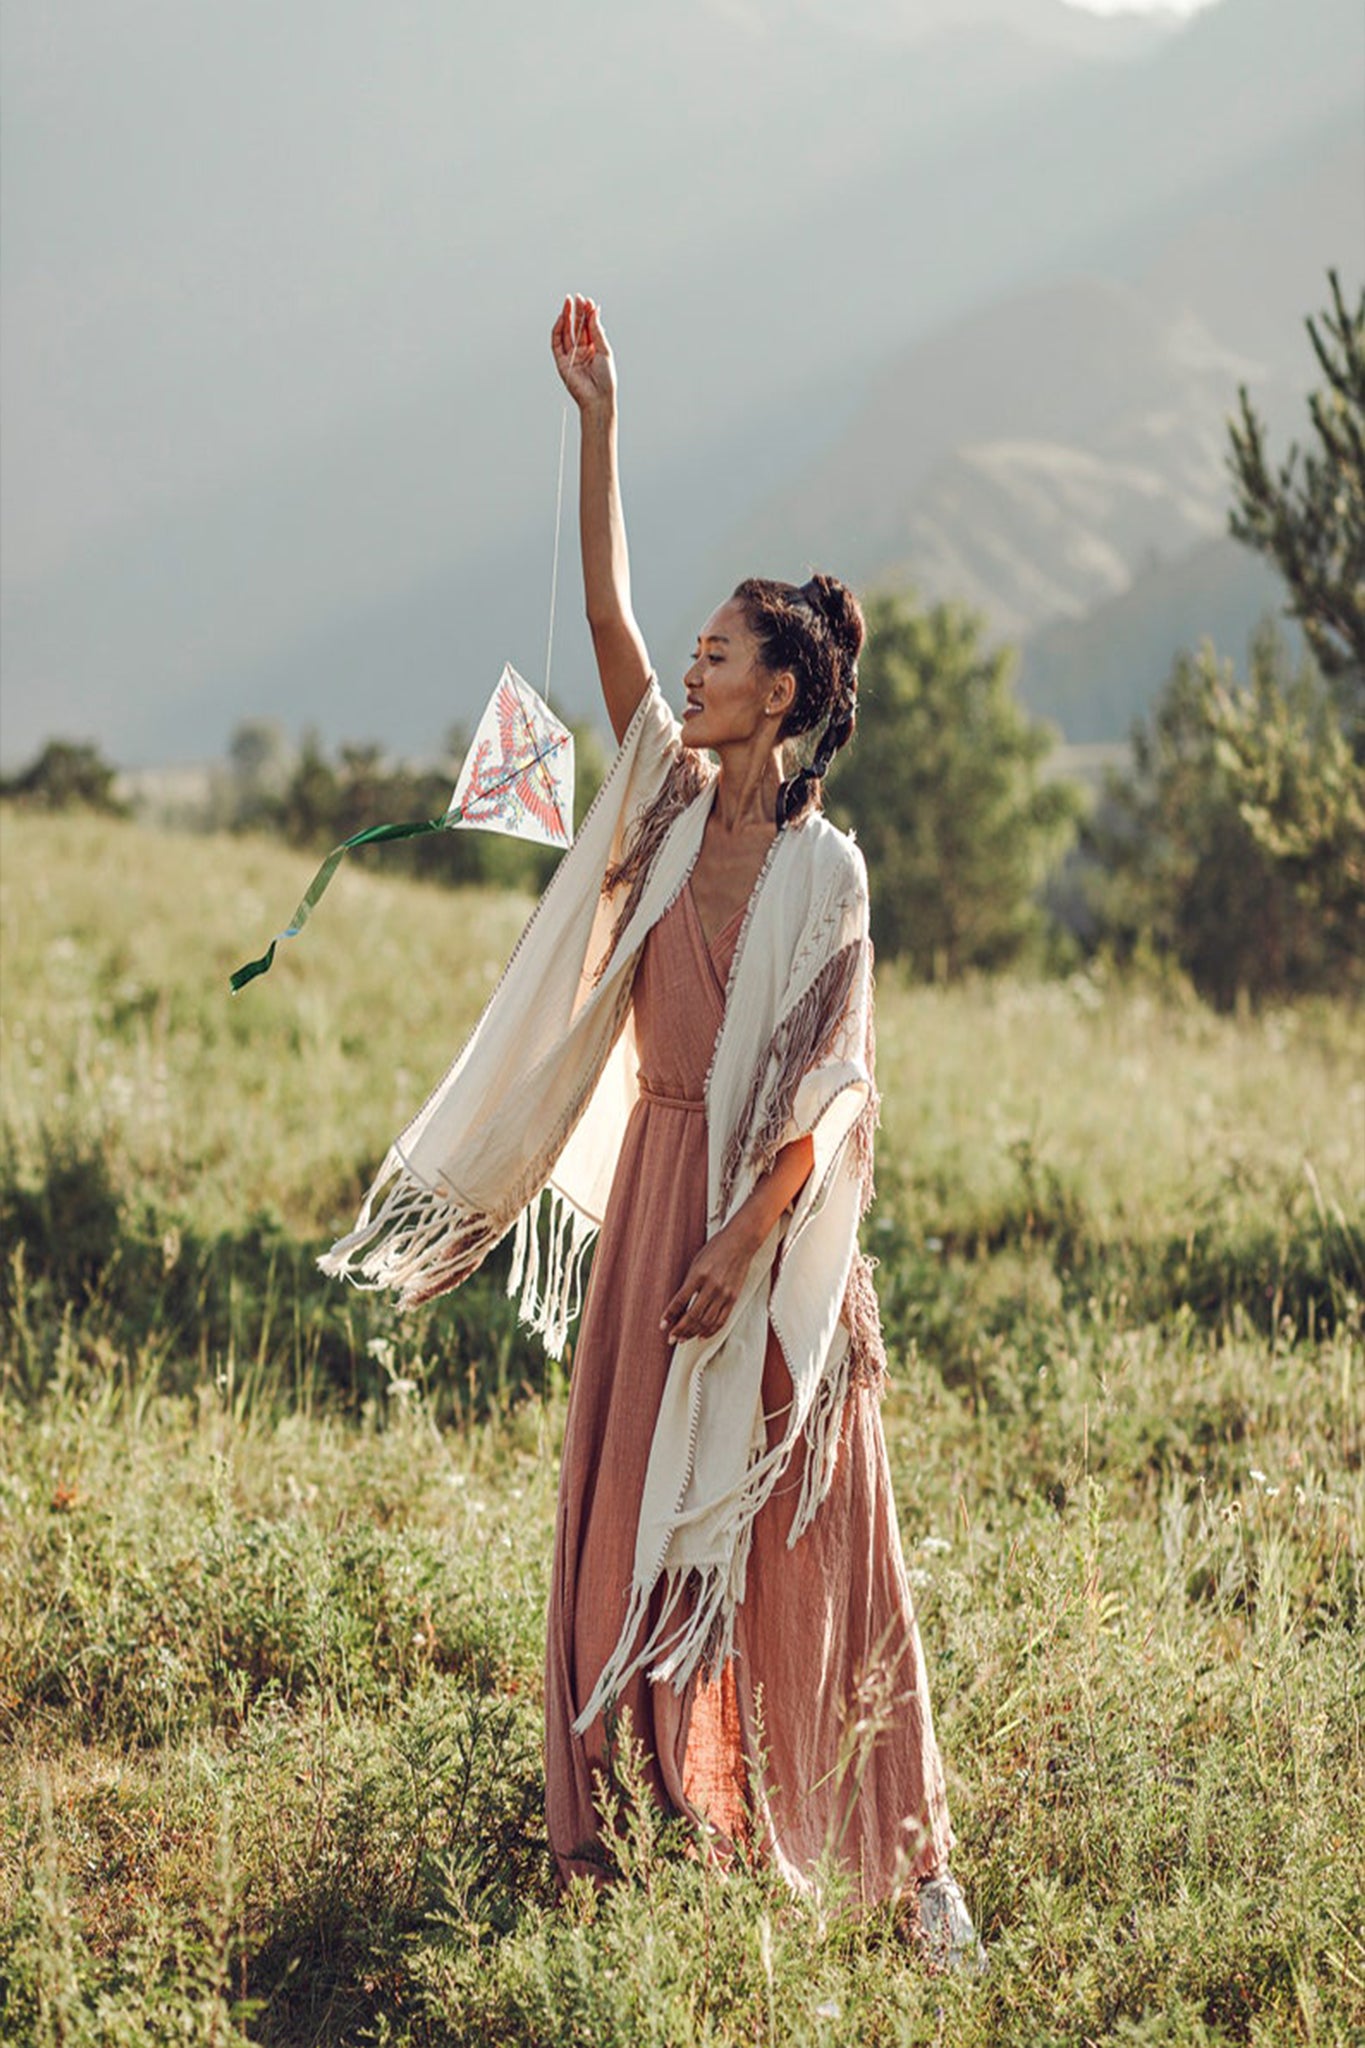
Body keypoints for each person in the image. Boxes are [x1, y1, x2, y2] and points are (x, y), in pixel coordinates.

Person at [322, 294, 982, 1968]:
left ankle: (904, 1869)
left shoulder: (829, 876)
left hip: (766, 1249)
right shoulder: (671, 813)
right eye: (690, 656)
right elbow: (606, 610)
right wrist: (597, 418)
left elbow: (834, 1092)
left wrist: (740, 1249)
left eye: (717, 657)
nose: (687, 668)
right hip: (650, 1196)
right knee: (623, 1523)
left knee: (808, 1534)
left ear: (784, 696)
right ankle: (613, 1838)